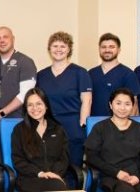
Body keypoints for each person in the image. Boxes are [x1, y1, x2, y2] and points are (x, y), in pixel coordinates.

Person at [35, 31, 92, 166]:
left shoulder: (80, 73)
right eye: (55, 46)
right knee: (50, 166)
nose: (58, 49)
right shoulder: (42, 75)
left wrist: (82, 124)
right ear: (49, 49)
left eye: (63, 46)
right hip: (48, 126)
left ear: (69, 49)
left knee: (73, 168)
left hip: (72, 125)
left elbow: (87, 100)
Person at [84, 88, 140, 192]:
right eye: (118, 103)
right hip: (112, 176)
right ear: (111, 105)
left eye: (127, 104)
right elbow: (91, 157)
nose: (122, 108)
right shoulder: (100, 127)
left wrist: (138, 177)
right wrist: (117, 172)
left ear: (132, 106)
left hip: (138, 175)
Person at [0, 26, 37, 163]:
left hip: (16, 120)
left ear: (13, 39)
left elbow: (26, 93)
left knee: (16, 160)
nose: (2, 41)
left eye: (5, 37)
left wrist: (2, 113)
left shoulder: (25, 62)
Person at [11, 88, 69, 191]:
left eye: (39, 104)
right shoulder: (19, 130)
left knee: (57, 186)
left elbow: (64, 158)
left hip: (54, 177)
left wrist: (53, 174)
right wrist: (40, 173)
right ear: (26, 108)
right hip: (30, 179)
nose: (35, 108)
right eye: (30, 105)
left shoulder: (58, 129)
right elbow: (18, 160)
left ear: (46, 106)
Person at [88, 33, 140, 116]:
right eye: (103, 47)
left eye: (111, 47)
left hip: (118, 125)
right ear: (99, 49)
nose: (107, 50)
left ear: (119, 50)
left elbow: (133, 105)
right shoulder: (91, 73)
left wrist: (130, 128)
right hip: (94, 124)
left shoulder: (128, 74)